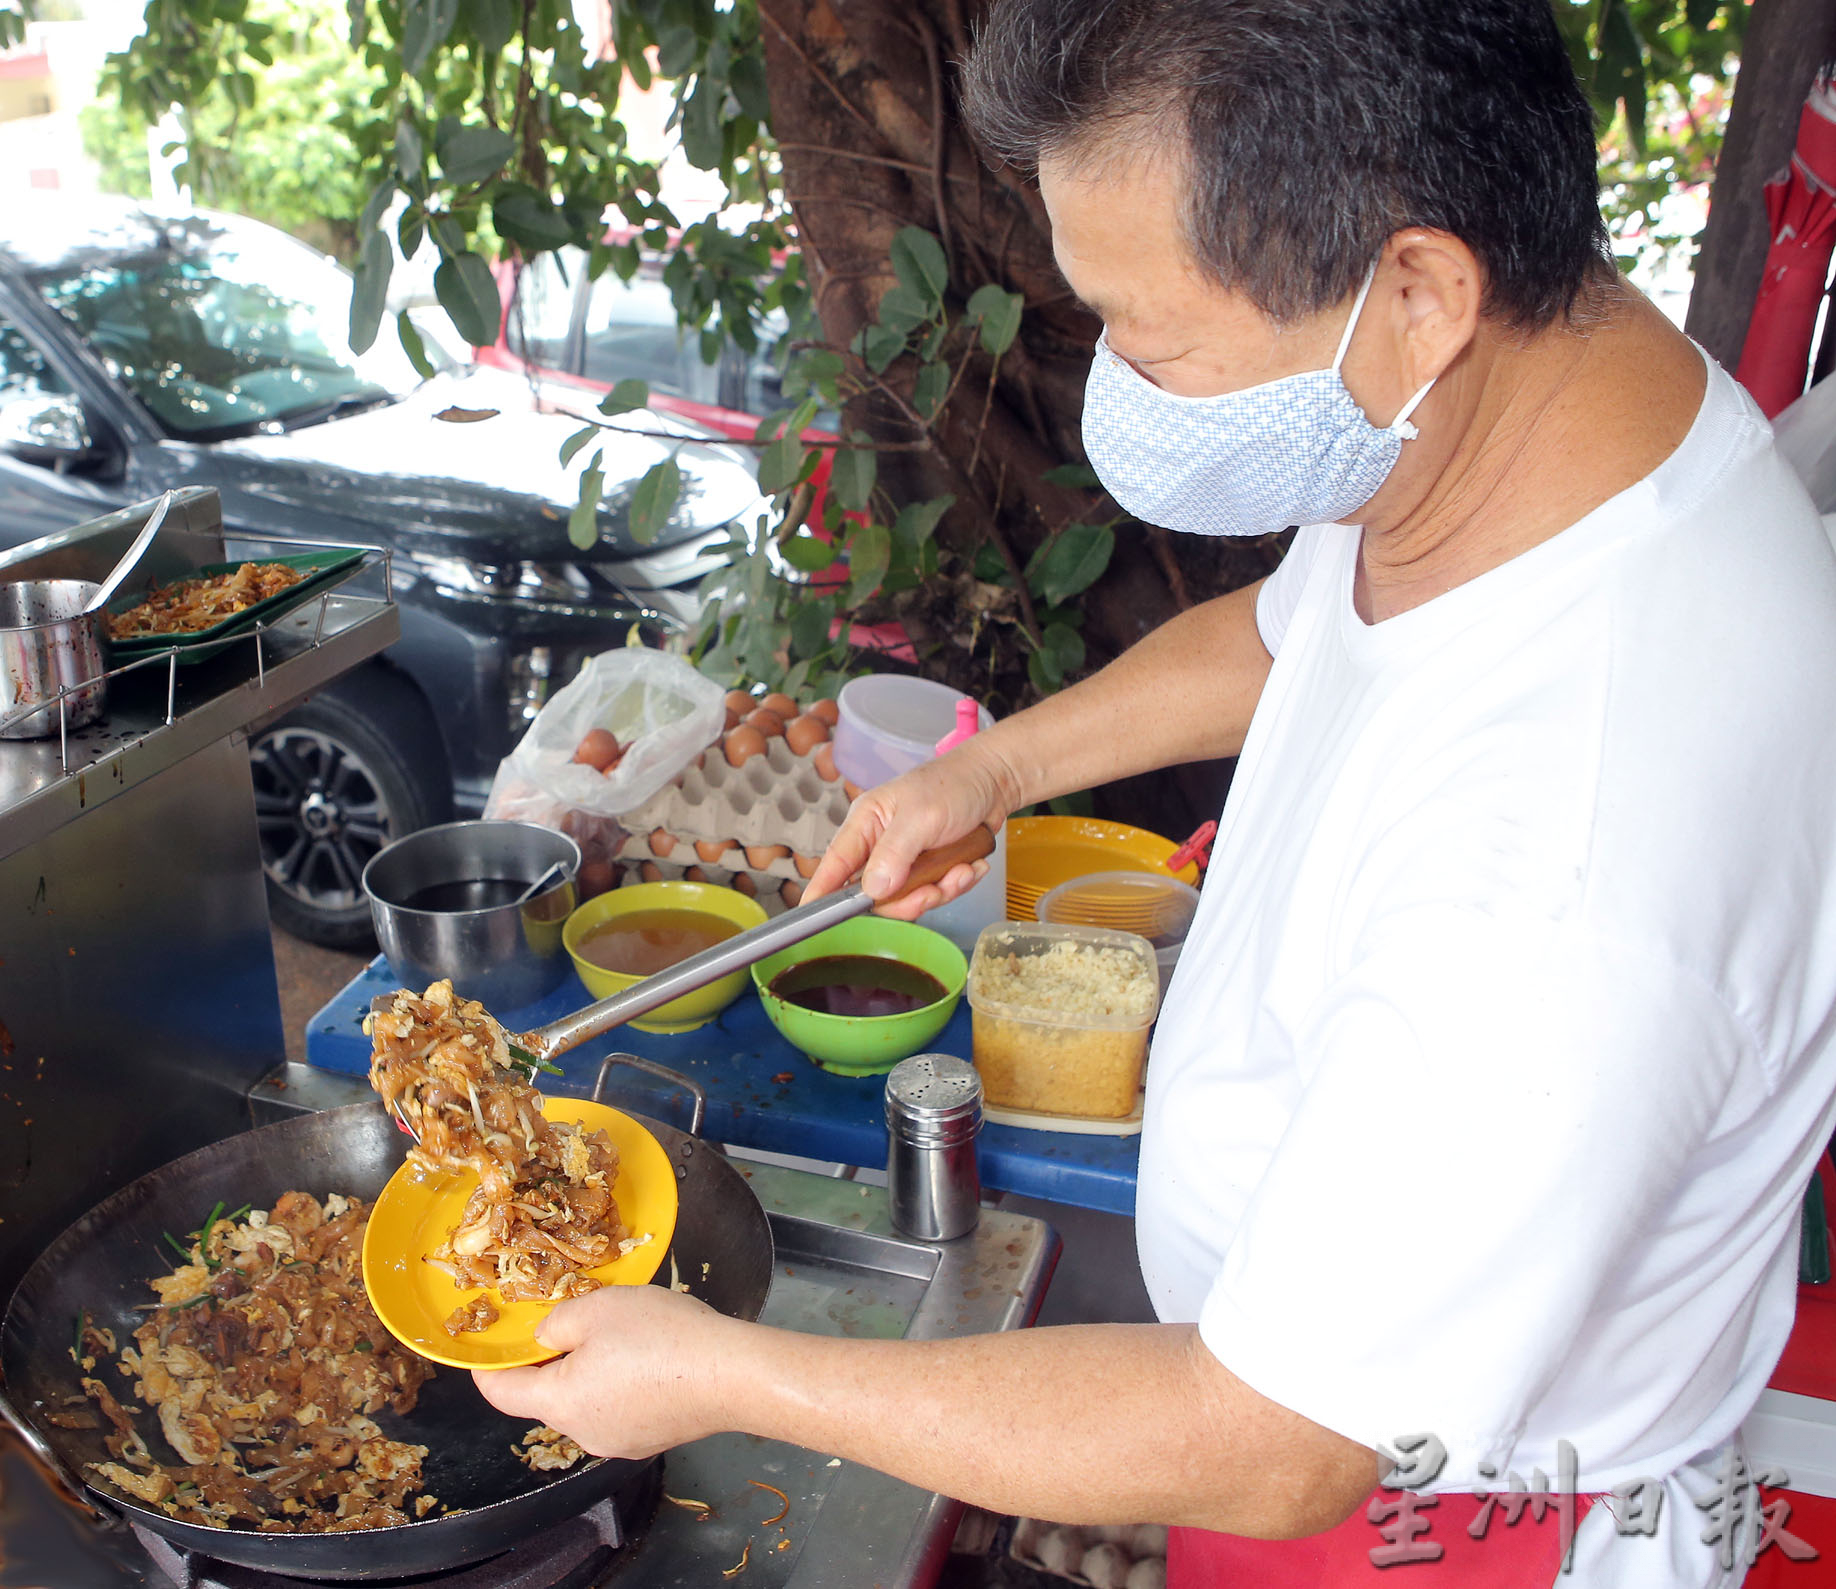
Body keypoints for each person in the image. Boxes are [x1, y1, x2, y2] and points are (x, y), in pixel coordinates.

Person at [474, 1, 1836, 1582]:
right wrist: (998, 766)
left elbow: (1274, 1437)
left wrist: (720, 1373)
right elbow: (1286, 634)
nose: (1121, 380)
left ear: (1419, 291)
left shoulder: (1578, 857)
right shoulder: (1532, 432)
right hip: (1326, 1408)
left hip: (1436, 1524)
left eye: (1155, 338)